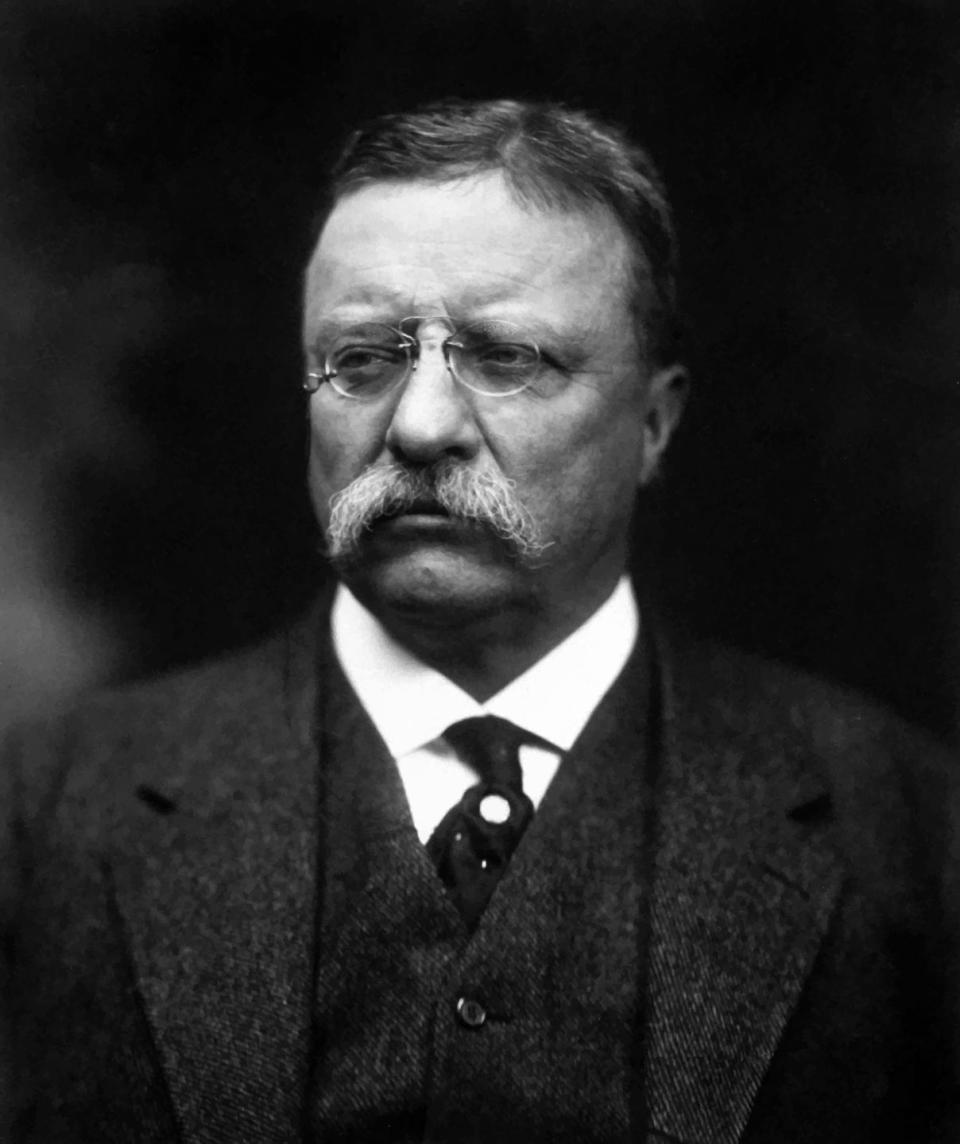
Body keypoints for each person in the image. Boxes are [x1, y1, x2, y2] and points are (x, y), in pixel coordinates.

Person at [1, 98, 958, 1144]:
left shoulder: (908, 829)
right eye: (362, 359)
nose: (418, 426)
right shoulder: (43, 818)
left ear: (653, 423)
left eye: (506, 359)